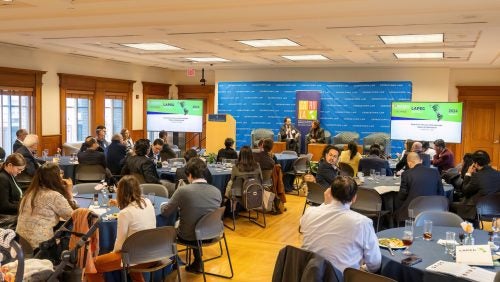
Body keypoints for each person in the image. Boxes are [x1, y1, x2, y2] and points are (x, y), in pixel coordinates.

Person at [300, 176, 381, 273]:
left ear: (330, 192)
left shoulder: (309, 212)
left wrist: (325, 203)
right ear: (354, 198)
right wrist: (361, 270)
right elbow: (375, 264)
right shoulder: (362, 222)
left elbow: (303, 226)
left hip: (308, 274)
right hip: (342, 278)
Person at [86, 175, 156, 282]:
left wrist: (111, 254)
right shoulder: (147, 202)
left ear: (120, 192)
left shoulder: (124, 214)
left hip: (134, 258)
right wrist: (119, 204)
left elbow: (120, 245)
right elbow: (134, 209)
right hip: (154, 253)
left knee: (91, 266)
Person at [161, 158, 222, 273]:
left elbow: (166, 212)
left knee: (171, 228)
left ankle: (172, 264)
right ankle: (197, 261)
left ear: (189, 175)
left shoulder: (183, 191)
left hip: (189, 236)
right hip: (213, 234)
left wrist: (164, 205)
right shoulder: (216, 191)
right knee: (197, 219)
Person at [16, 163, 76, 250]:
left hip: (20, 244)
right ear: (56, 178)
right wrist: (69, 194)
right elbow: (73, 217)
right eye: (60, 174)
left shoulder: (29, 193)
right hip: (41, 246)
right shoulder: (54, 196)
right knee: (74, 226)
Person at [395, 152, 444, 222]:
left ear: (409, 163)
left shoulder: (406, 174)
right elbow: (441, 193)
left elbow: (402, 196)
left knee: (396, 209)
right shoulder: (435, 172)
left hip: (412, 211)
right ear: (420, 161)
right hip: (433, 210)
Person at [0, 153, 26, 228]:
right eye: (19, 169)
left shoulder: (10, 175)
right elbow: (4, 206)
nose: (20, 172)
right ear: (10, 165)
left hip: (12, 212)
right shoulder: (2, 178)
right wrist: (23, 206)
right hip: (6, 217)